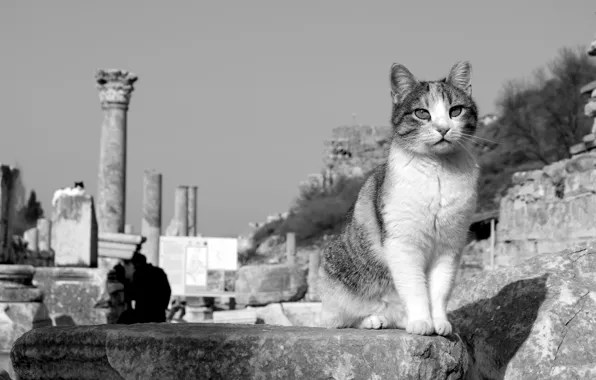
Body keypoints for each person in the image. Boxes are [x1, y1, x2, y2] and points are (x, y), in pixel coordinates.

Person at [122, 252, 172, 323]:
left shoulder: (138, 275)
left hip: (142, 315)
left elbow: (132, 294)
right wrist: (163, 307)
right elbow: (167, 291)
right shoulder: (159, 272)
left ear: (135, 264)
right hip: (158, 314)